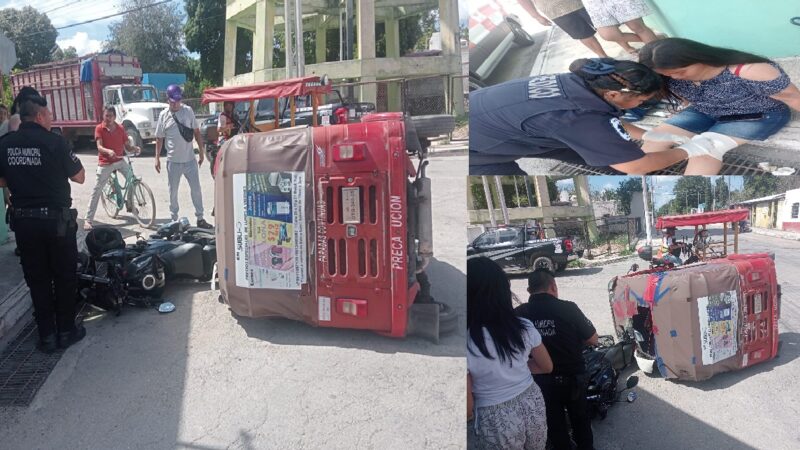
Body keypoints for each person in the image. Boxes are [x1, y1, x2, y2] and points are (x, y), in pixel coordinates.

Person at [469, 58, 712, 175]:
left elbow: (607, 120)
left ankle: (612, 166)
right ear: (614, 93)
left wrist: (649, 134)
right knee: (510, 180)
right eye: (641, 100)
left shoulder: (579, 83)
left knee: (604, 160)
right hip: (476, 151)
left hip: (511, 124)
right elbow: (636, 165)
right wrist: (689, 151)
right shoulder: (576, 118)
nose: (641, 104)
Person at [0, 91, 86, 353]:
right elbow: (80, 176)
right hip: (57, 223)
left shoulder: (5, 144)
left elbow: (1, 181)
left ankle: (47, 336)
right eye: (48, 114)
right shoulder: (55, 142)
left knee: (37, 280)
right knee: (63, 276)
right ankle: (66, 331)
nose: (51, 118)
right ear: (38, 115)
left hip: (25, 224)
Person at [638, 38, 800, 175]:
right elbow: (685, 95)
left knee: (703, 151)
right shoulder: (668, 76)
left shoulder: (748, 69)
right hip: (705, 110)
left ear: (698, 57)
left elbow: (793, 97)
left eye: (680, 71)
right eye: (667, 75)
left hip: (757, 114)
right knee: (655, 138)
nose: (674, 77)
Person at [467, 256, 553, 450]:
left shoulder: (465, 341)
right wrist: (517, 366)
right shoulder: (522, 326)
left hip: (494, 416)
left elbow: (467, 409)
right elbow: (546, 366)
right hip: (532, 401)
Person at [515, 269, 599, 450]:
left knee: (555, 426)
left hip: (541, 382)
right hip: (573, 380)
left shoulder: (519, 314)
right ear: (553, 287)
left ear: (529, 291)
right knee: (581, 422)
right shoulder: (568, 308)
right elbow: (593, 339)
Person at [154, 84, 212, 228]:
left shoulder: (188, 111)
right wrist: (156, 158)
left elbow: (197, 132)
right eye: (173, 101)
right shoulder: (163, 115)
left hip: (190, 161)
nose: (176, 104)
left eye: (178, 101)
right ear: (168, 100)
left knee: (196, 190)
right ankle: (174, 219)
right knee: (173, 191)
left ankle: (200, 218)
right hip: (173, 162)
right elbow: (159, 138)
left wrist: (201, 152)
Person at [83, 105, 142, 230]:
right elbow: (99, 147)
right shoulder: (99, 128)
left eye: (110, 116)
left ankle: (130, 205)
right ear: (103, 115)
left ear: (115, 116)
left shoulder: (120, 128)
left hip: (120, 160)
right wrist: (108, 151)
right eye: (106, 115)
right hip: (105, 163)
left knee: (132, 179)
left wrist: (134, 148)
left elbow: (127, 145)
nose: (108, 118)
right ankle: (88, 220)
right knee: (97, 190)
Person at [521, 0, 608, 58]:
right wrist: (536, 16)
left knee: (609, 27)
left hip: (585, 2)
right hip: (556, 10)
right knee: (583, 35)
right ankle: (604, 57)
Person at [582, 0, 658, 56]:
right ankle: (656, 40)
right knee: (608, 35)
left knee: (636, 26)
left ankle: (658, 54)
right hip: (593, 3)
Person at [211, 101, 239, 177]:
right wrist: (228, 127)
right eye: (227, 105)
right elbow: (219, 129)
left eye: (230, 105)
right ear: (225, 106)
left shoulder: (234, 116)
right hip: (224, 139)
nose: (229, 107)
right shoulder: (223, 116)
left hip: (233, 138)